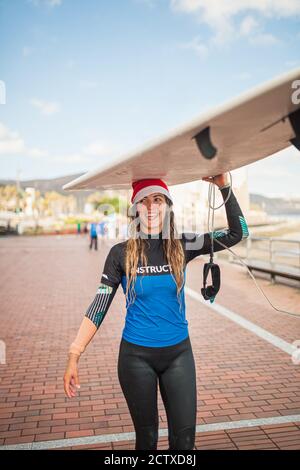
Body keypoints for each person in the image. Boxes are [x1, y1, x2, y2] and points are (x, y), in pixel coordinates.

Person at [63, 174, 249, 450]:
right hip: (136, 358)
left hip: (178, 355)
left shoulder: (183, 245)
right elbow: (99, 305)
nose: (151, 208)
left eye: (158, 200)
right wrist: (74, 353)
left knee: (184, 441)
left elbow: (239, 233)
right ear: (135, 209)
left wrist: (224, 186)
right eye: (144, 201)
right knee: (147, 439)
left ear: (167, 207)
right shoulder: (120, 254)